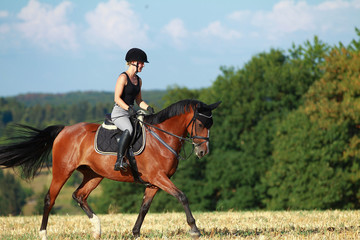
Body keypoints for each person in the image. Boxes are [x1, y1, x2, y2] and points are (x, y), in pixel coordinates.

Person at [111, 48, 154, 171]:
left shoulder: (138, 80)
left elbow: (139, 100)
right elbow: (117, 98)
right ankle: (119, 161)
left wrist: (148, 108)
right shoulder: (123, 77)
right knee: (129, 129)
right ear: (133, 62)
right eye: (141, 63)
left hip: (131, 113)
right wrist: (128, 109)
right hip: (119, 112)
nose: (143, 65)